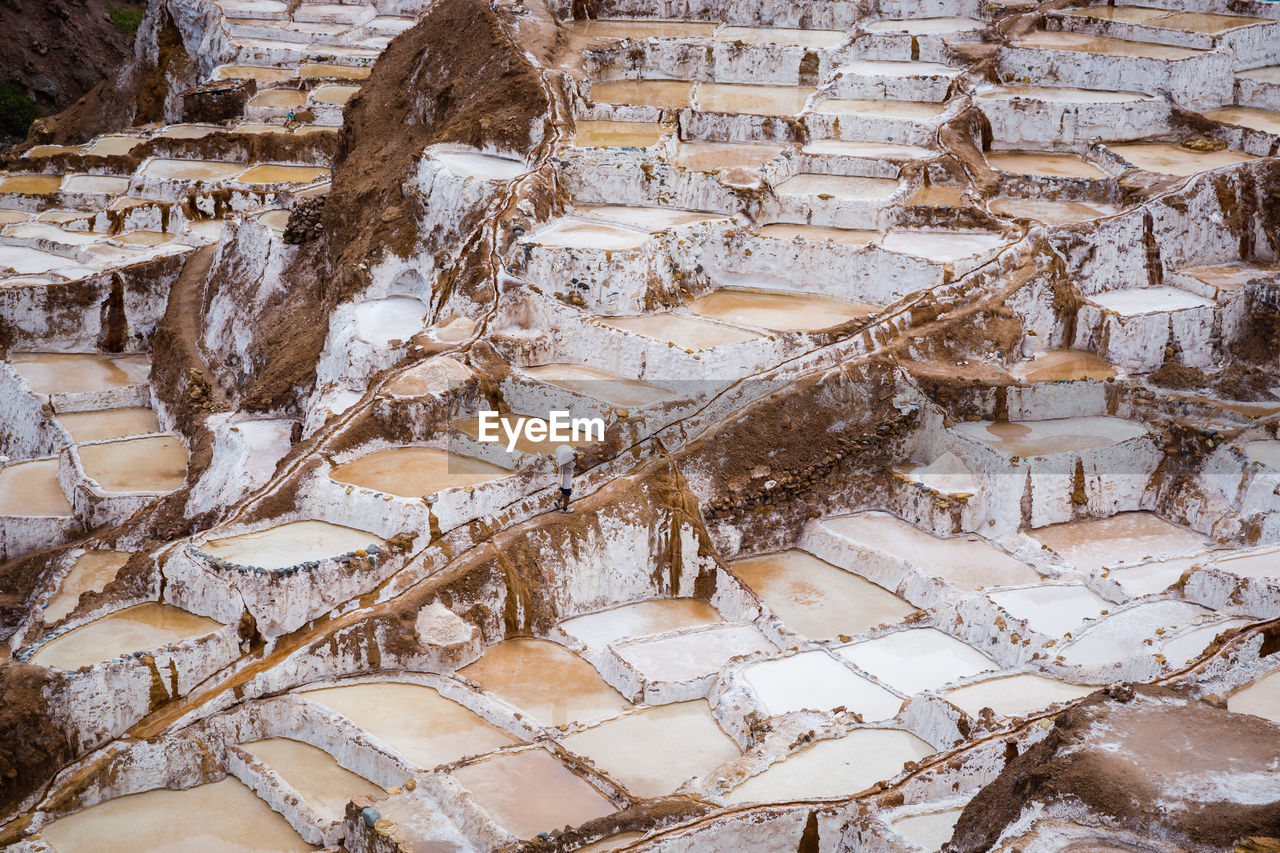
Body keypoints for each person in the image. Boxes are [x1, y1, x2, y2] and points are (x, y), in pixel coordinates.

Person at [554, 443, 575, 513]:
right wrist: (577, 458)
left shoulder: (561, 462)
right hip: (566, 484)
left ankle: (558, 502)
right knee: (567, 496)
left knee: (564, 493)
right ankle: (565, 509)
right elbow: (578, 466)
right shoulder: (569, 464)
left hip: (562, 482)